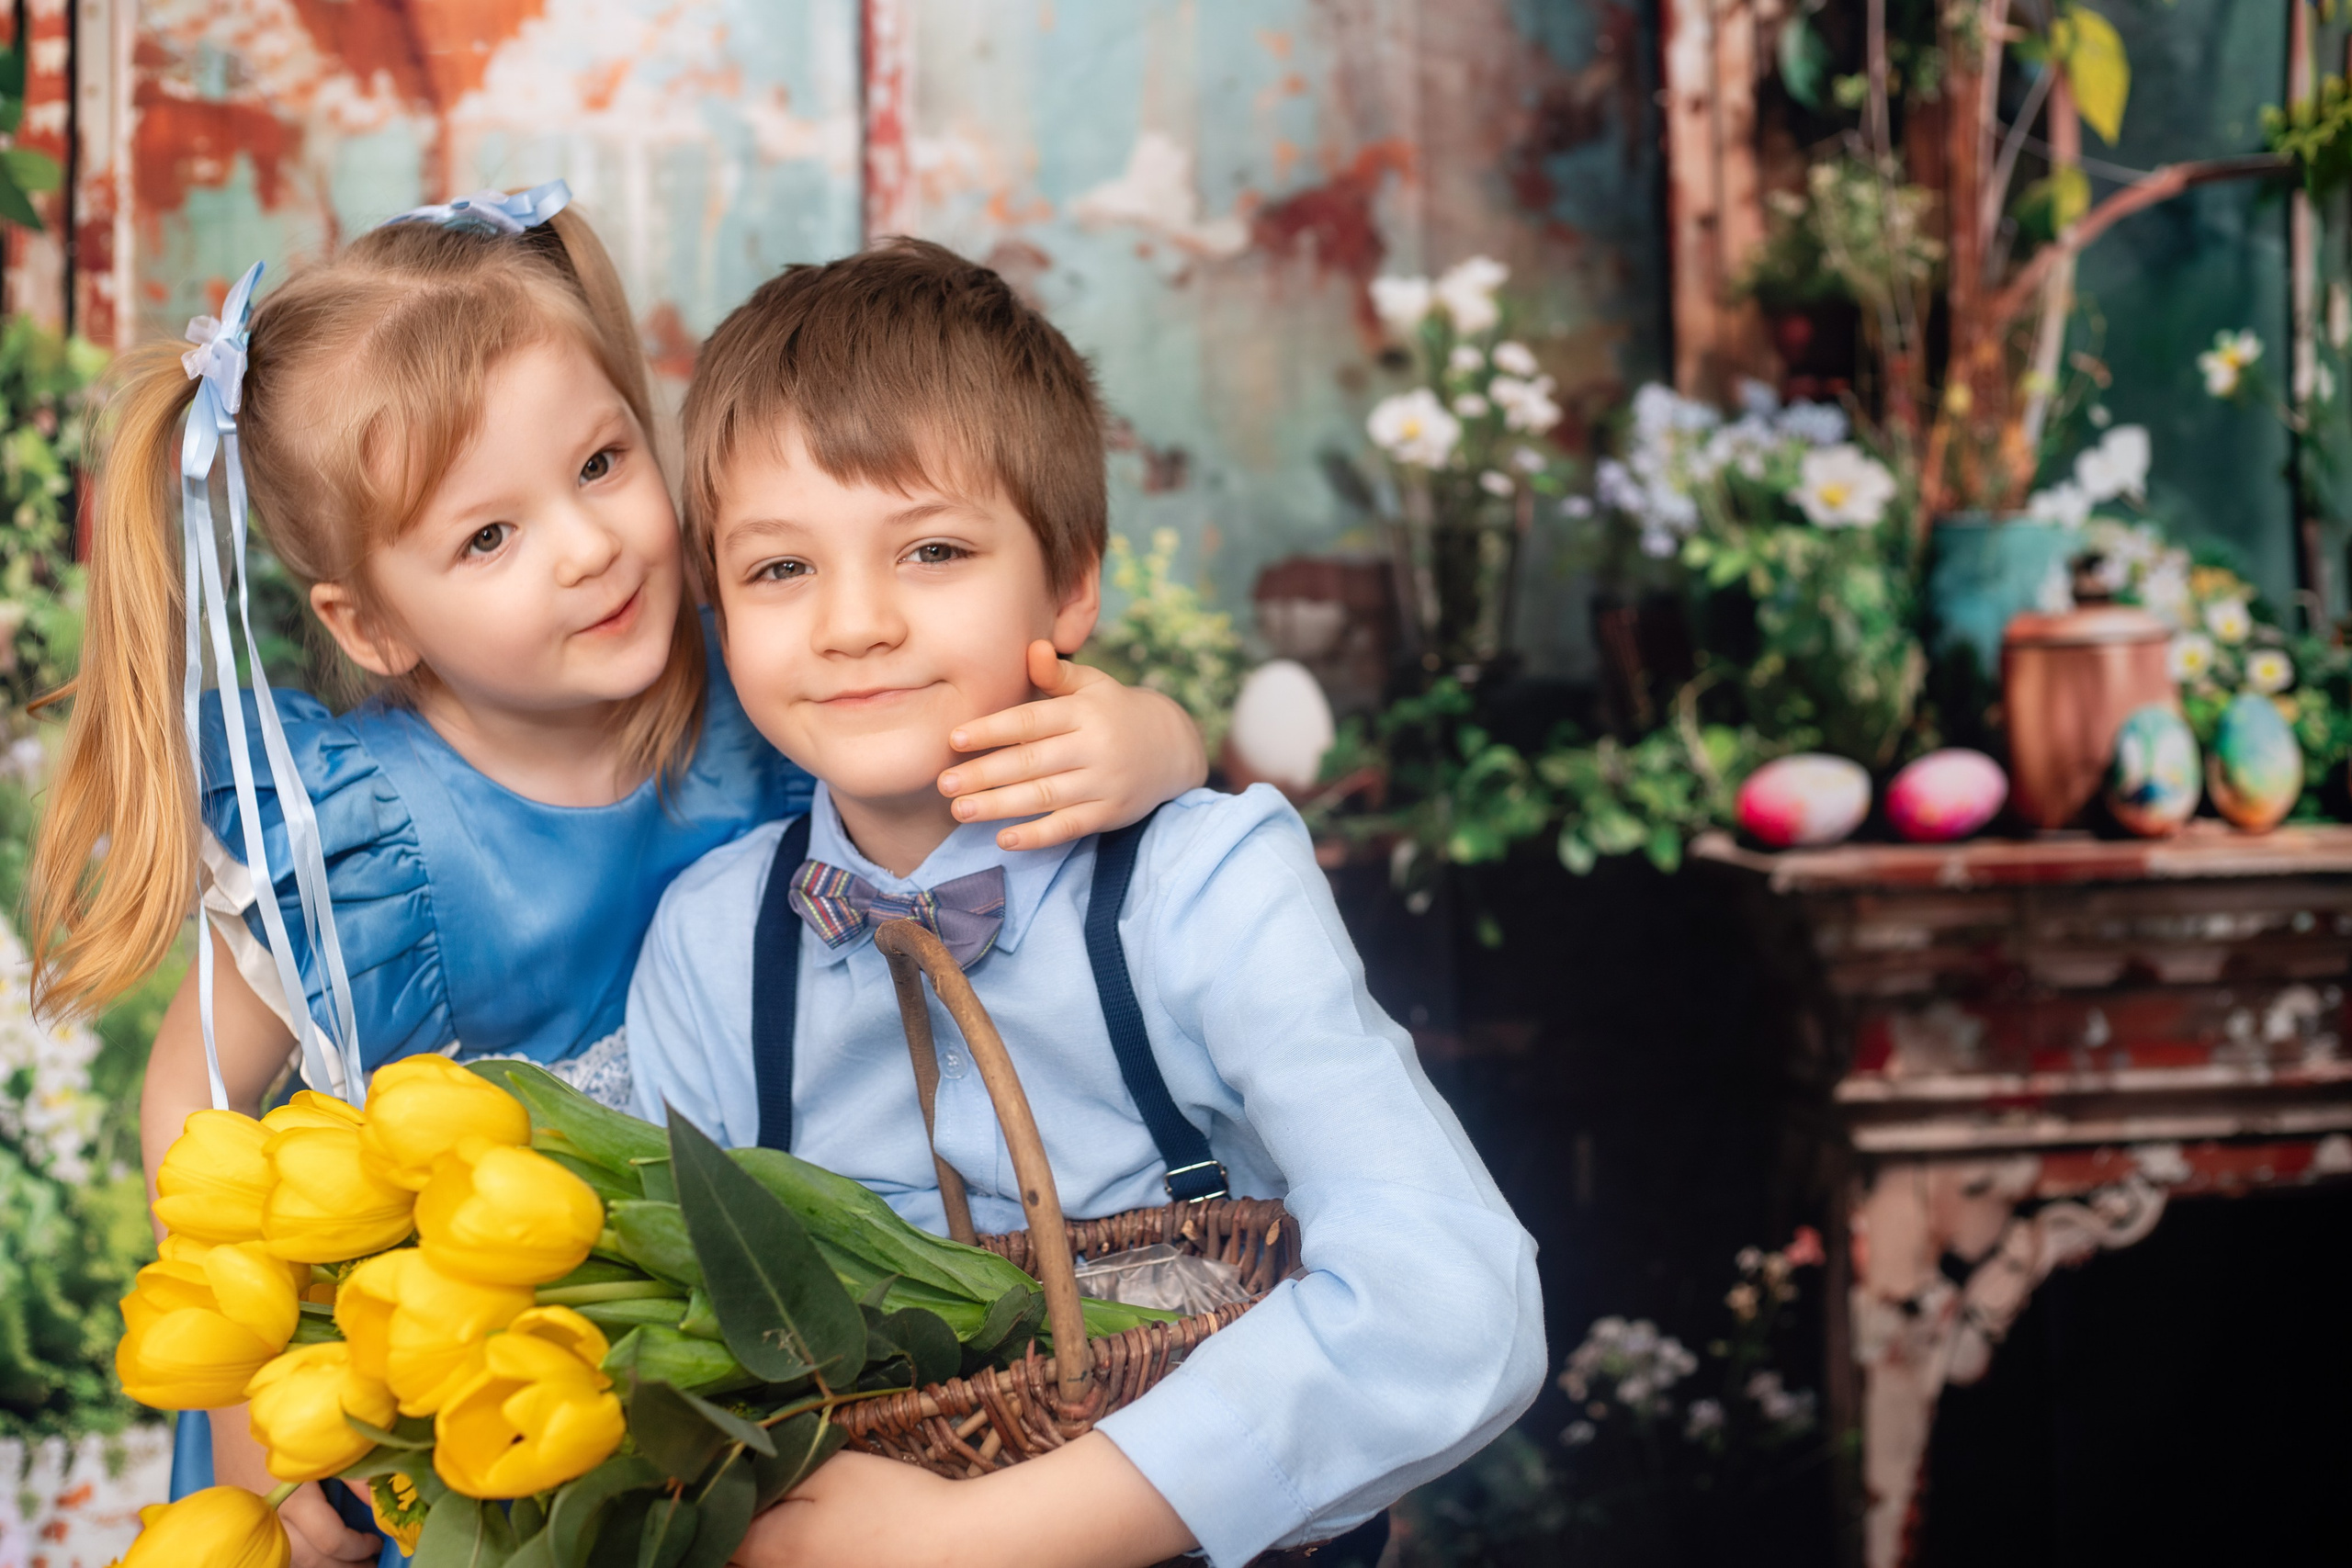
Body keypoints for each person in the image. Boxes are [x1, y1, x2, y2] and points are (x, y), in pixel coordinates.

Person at [26, 190, 1206, 1568]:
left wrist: (1158, 739)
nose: (587, 548)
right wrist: (269, 1438)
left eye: (599, 464)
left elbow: (987, 736)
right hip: (455, 1367)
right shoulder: (362, 837)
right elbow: (199, 1101)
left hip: (722, 1334)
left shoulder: (771, 669)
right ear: (371, 621)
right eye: (488, 537)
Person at [626, 240, 1545, 1568]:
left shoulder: (1200, 885)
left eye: (931, 549)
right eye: (780, 570)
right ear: (716, 601)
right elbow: (661, 1354)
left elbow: (1454, 1304)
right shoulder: (712, 944)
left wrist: (978, 1541)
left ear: (1070, 585)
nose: (853, 624)